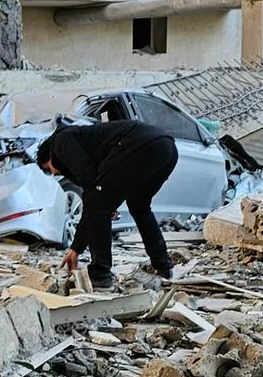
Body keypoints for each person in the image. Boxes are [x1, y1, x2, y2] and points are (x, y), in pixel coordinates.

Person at [35, 120, 178, 289]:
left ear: (48, 156)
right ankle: (163, 267)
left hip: (139, 146)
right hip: (167, 149)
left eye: (49, 169)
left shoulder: (60, 142)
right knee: (139, 207)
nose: (55, 172)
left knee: (98, 206)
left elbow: (91, 186)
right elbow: (97, 190)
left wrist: (77, 247)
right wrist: (76, 248)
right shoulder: (82, 140)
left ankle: (100, 276)